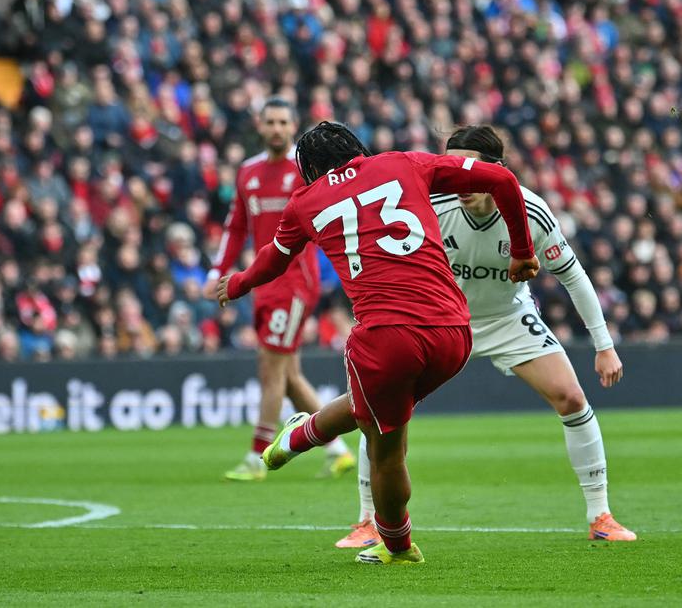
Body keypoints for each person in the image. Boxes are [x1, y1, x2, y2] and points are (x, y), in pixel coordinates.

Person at [216, 122, 539, 564]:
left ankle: (397, 546)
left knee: (384, 448)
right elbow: (502, 178)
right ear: (357, 148)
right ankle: (299, 437)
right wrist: (522, 250)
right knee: (374, 410)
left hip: (386, 339)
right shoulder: (402, 162)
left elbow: (275, 259)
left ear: (309, 169)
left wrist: (237, 284)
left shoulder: (305, 202)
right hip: (454, 334)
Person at [335, 126, 635, 548]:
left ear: (497, 172)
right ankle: (368, 520)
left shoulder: (530, 211)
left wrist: (604, 346)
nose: (458, 179)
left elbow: (573, 276)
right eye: (450, 167)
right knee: (385, 417)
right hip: (436, 321)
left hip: (507, 317)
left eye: (469, 168)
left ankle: (601, 516)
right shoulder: (429, 208)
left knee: (571, 398)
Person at [210, 99, 354, 481]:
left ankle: (258, 457)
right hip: (262, 282)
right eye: (270, 121)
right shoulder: (248, 171)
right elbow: (236, 226)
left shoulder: (305, 168)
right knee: (288, 374)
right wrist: (218, 270)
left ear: (293, 125)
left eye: (283, 122)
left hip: (293, 283)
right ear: (260, 125)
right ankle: (337, 450)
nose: (276, 128)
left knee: (270, 368)